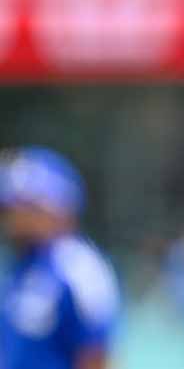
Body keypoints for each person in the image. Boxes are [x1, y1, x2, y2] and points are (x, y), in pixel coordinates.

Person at [0, 147, 120, 369]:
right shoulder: (21, 265)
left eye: (26, 206)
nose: (14, 217)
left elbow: (94, 355)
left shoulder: (80, 268)